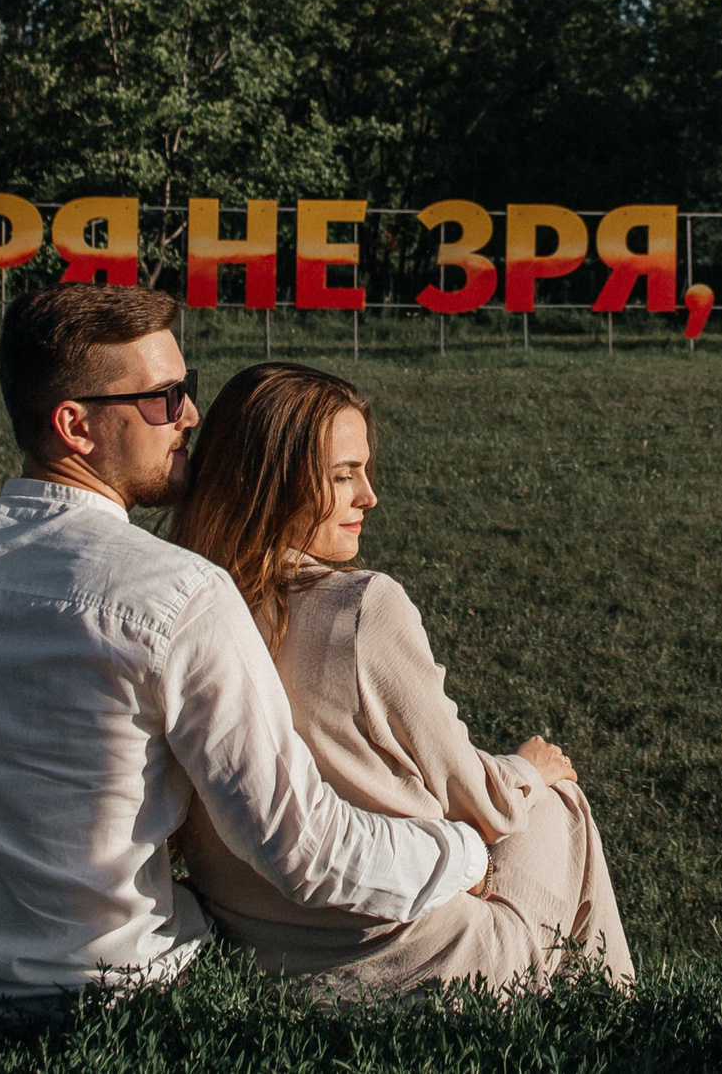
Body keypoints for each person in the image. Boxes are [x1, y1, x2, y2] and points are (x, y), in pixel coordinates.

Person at [0, 287, 490, 1023]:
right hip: (84, 990)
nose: (190, 416)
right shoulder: (181, 595)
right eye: (163, 399)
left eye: (188, 389)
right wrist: (464, 849)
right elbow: (306, 849)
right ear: (75, 424)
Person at [164, 361, 633, 997]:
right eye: (342, 475)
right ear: (271, 484)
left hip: (259, 947)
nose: (369, 496)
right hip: (419, 958)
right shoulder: (361, 609)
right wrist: (528, 770)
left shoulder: (184, 608)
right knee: (557, 806)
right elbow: (475, 799)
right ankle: (616, 1005)